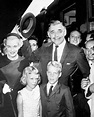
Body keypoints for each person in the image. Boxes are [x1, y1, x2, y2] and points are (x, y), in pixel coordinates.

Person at [29, 20, 90, 86]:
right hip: (45, 93)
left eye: (59, 31)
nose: (56, 35)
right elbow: (29, 58)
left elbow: (86, 73)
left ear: (65, 32)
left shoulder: (76, 52)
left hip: (66, 94)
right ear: (48, 34)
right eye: (52, 32)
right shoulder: (44, 49)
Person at [0, 33, 30, 117]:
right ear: (5, 44)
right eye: (9, 46)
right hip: (3, 102)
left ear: (20, 45)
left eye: (15, 46)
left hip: (20, 102)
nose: (12, 50)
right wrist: (2, 85)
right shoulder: (0, 61)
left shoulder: (24, 62)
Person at [81, 39, 94, 117]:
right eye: (87, 49)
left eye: (92, 48)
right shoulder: (87, 65)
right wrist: (85, 86)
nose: (89, 52)